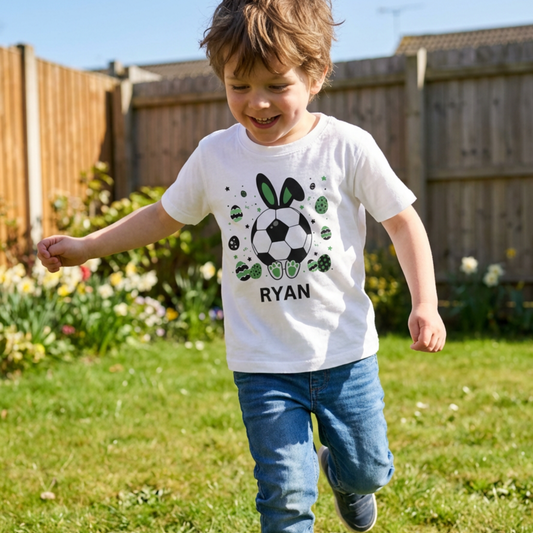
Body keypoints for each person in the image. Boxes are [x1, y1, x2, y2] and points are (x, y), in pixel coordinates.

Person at [38, 0, 446, 531]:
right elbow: (164, 216)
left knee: (368, 469)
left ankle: (346, 479)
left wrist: (426, 303)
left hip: (344, 355)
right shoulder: (216, 156)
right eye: (239, 86)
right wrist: (87, 246)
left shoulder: (347, 147)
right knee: (285, 494)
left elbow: (402, 222)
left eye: (277, 85)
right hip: (263, 364)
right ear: (223, 78)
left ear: (316, 74)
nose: (257, 103)